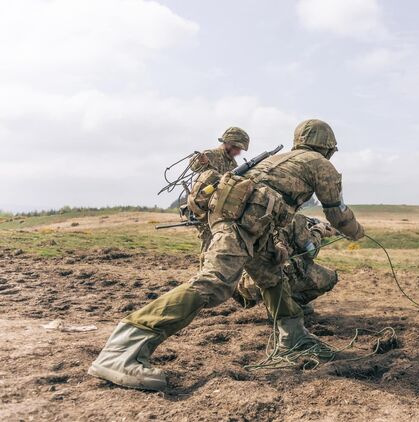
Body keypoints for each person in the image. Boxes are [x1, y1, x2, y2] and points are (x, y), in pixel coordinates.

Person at [88, 119, 365, 391]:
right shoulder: (321, 165)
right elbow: (338, 214)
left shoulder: (280, 159)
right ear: (327, 147)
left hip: (250, 223)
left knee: (271, 273)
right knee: (215, 283)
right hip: (241, 223)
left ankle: (293, 336)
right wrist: (357, 232)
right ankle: (122, 349)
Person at [233, 214, 339, 316]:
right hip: (276, 280)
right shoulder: (294, 219)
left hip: (246, 284)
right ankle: (288, 307)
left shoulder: (252, 216)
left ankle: (266, 303)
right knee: (331, 277)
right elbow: (311, 252)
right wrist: (319, 231)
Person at [188, 127, 250, 255]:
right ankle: (204, 274)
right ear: (228, 143)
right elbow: (194, 166)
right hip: (205, 208)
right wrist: (200, 161)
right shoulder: (211, 154)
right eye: (237, 148)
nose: (238, 152)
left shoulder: (233, 164)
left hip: (220, 209)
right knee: (209, 246)